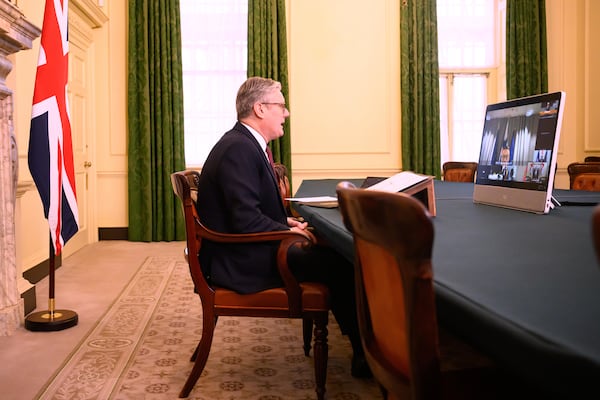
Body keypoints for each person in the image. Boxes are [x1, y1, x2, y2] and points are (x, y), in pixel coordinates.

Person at [195, 76, 370, 378]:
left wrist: (283, 222)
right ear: (260, 109)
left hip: (246, 249)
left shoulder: (244, 143)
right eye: (281, 106)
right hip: (240, 261)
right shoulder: (239, 148)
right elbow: (245, 220)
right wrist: (288, 232)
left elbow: (247, 210)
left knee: (333, 254)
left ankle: (362, 345)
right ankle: (366, 353)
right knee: (343, 262)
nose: (286, 113)